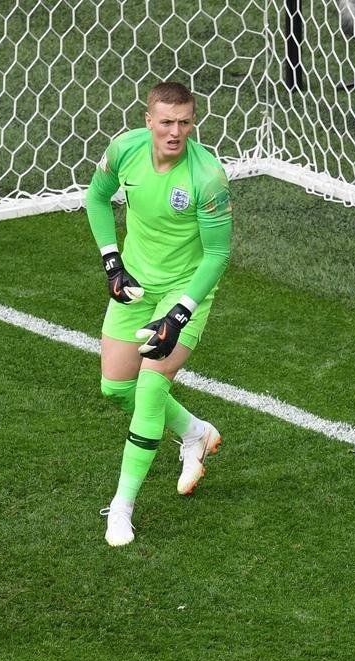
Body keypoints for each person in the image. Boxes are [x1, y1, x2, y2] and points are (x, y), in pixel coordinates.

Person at [84, 81, 233, 547]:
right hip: (136, 286)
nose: (175, 132)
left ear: (193, 122)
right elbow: (96, 198)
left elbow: (217, 254)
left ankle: (121, 507)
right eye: (166, 122)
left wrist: (180, 314)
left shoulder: (207, 177)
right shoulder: (124, 151)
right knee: (115, 387)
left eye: (185, 122)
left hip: (184, 292)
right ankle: (194, 432)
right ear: (148, 120)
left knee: (149, 390)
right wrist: (112, 262)